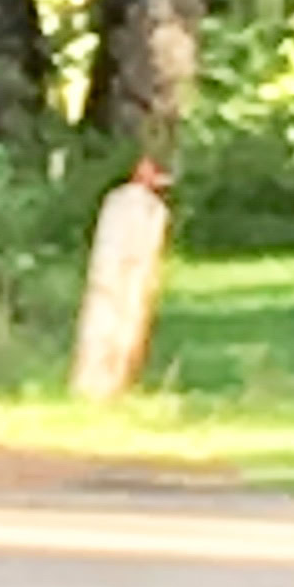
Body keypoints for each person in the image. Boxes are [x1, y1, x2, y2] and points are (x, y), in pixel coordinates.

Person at [69, 156, 173, 402]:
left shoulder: (146, 207)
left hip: (121, 273)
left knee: (118, 327)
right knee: (115, 326)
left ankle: (109, 383)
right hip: (121, 273)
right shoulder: (131, 204)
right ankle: (103, 383)